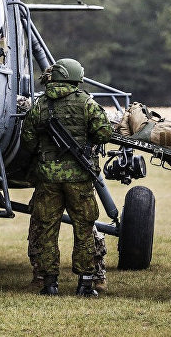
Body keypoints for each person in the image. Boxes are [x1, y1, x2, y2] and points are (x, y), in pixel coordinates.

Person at [21, 58, 113, 297]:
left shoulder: (41, 104)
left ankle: (50, 284)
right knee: (84, 230)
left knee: (47, 230)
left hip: (48, 178)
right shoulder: (86, 103)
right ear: (75, 78)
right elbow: (104, 133)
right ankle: (84, 284)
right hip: (80, 178)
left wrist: (44, 150)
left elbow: (28, 138)